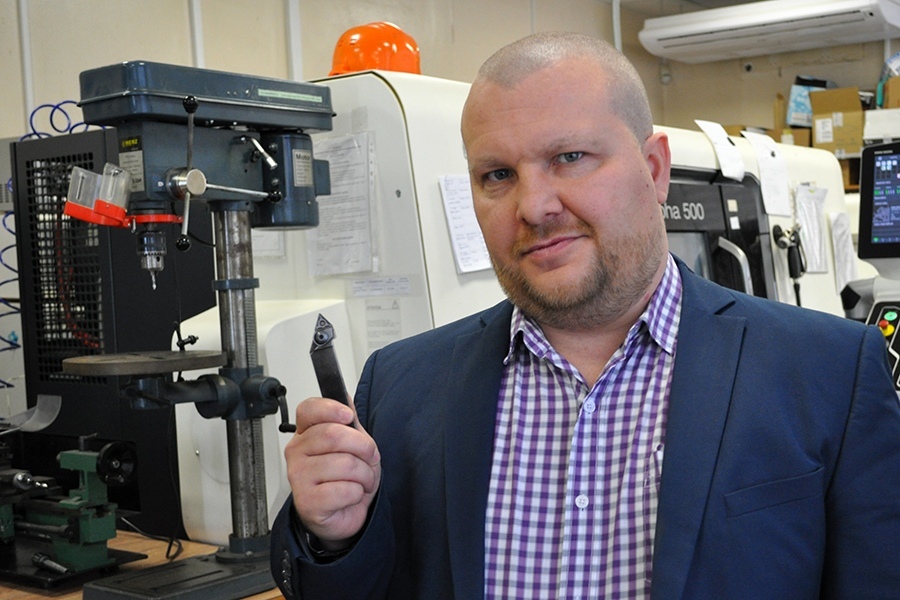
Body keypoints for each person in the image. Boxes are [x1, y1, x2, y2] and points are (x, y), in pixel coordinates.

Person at [271, 32, 900, 599]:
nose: (534, 206)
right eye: (497, 174)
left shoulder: (830, 373)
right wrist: (331, 536)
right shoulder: (401, 386)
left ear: (654, 170)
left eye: (569, 157)